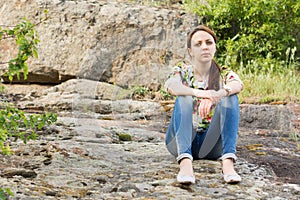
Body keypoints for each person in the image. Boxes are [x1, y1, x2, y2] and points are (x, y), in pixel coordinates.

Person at [164, 25, 243, 184]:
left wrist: (217, 94)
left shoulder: (223, 72)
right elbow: (171, 86)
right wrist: (201, 93)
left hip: (211, 145)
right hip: (180, 141)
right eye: (198, 44)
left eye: (209, 42)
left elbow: (238, 84)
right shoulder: (182, 70)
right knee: (184, 97)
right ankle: (185, 164)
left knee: (231, 97)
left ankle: (228, 163)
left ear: (215, 47)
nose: (204, 47)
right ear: (190, 51)